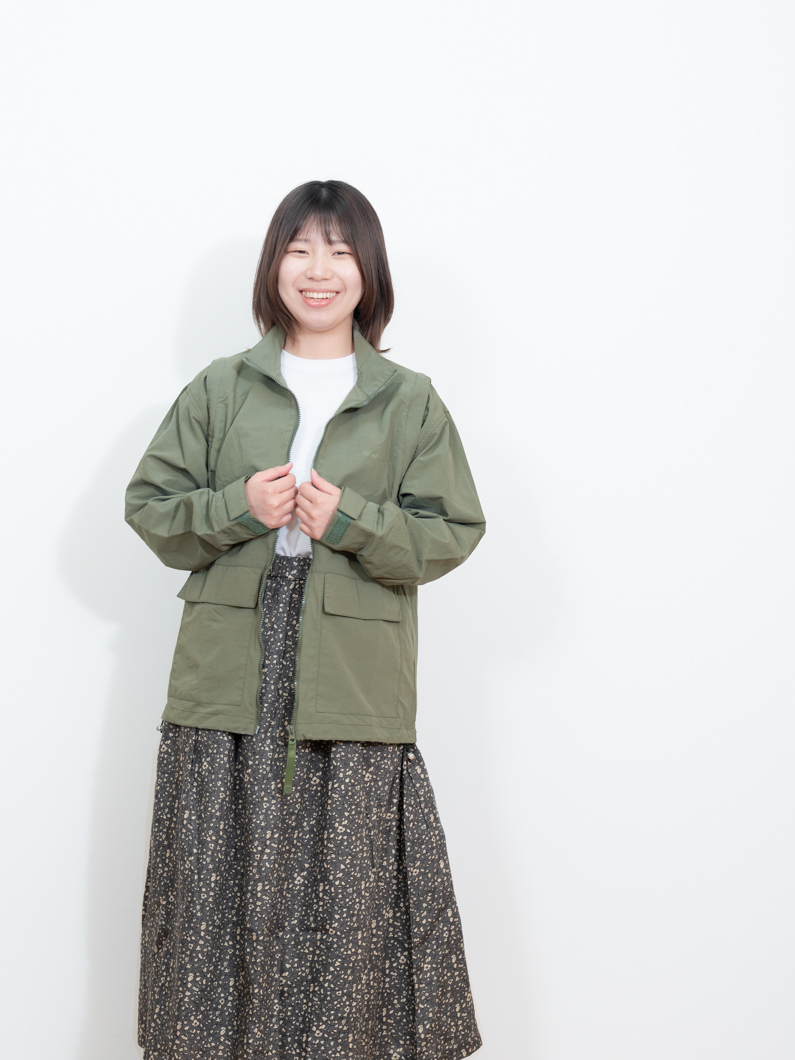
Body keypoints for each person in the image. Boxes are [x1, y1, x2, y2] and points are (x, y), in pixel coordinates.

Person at [126, 179, 486, 1060]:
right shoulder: (220, 388)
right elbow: (151, 509)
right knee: (216, 890)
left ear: (368, 271)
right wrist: (238, 507)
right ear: (273, 266)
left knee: (348, 905)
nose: (318, 270)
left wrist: (351, 521)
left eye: (339, 250)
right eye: (298, 249)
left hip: (352, 681)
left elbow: (452, 531)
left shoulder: (408, 400)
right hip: (225, 675)